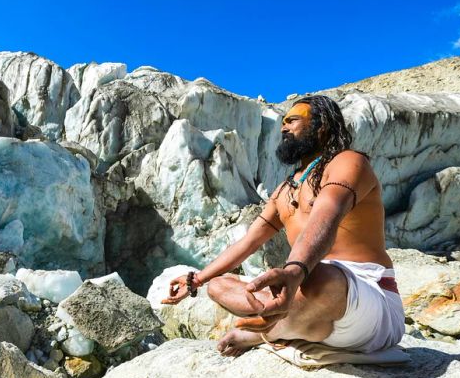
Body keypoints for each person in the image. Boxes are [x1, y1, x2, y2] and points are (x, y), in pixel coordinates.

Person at [162, 95, 404, 357]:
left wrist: (295, 271)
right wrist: (196, 280)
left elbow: (328, 214)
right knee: (218, 286)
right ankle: (282, 320)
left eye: (293, 121)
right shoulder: (284, 191)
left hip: (368, 300)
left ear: (321, 127)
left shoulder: (348, 162)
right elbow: (248, 243)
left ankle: (264, 332)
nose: (284, 128)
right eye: (283, 123)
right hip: (309, 301)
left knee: (319, 276)